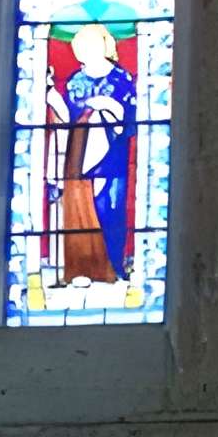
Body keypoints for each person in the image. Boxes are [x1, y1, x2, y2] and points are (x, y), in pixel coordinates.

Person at [46, 22, 137, 285]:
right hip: (80, 155)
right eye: (82, 46)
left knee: (111, 208)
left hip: (113, 155)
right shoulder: (76, 80)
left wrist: (108, 110)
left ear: (105, 45)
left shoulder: (121, 79)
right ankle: (84, 266)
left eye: (92, 44)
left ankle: (114, 266)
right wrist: (54, 98)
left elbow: (130, 119)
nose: (86, 50)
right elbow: (68, 119)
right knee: (82, 209)